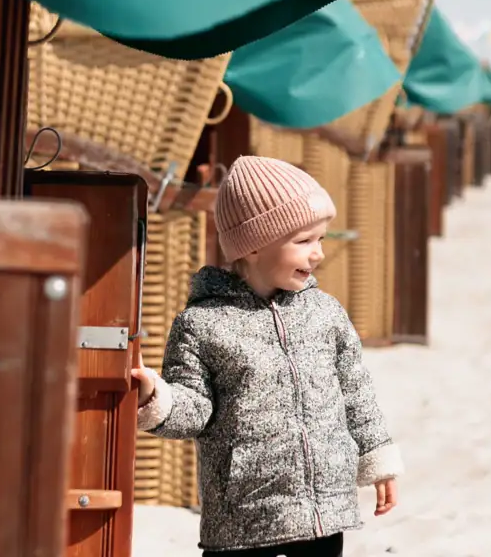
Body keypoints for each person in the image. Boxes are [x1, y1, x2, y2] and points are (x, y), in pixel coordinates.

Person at [132, 155, 404, 556]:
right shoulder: (202, 324)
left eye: (321, 239)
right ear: (254, 245)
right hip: (243, 515)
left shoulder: (325, 314)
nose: (318, 255)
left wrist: (378, 457)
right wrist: (156, 398)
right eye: (304, 241)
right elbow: (196, 409)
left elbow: (356, 393)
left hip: (322, 511)